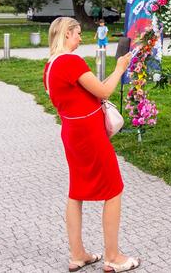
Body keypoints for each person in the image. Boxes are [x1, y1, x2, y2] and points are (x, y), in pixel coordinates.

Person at [43, 17, 140, 273]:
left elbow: (86, 93)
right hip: (89, 134)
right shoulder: (71, 61)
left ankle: (78, 254)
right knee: (114, 188)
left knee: (76, 192)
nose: (80, 38)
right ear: (66, 34)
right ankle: (113, 256)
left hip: (71, 132)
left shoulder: (50, 66)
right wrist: (120, 68)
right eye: (76, 33)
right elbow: (105, 92)